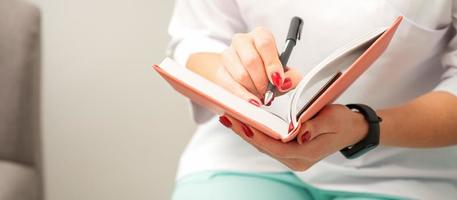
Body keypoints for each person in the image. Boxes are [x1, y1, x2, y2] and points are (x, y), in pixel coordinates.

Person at [167, 0, 457, 199]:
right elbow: (197, 38)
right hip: (243, 157)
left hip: (407, 171)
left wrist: (362, 126)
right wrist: (232, 75)